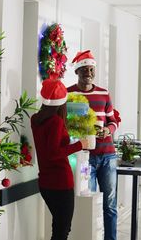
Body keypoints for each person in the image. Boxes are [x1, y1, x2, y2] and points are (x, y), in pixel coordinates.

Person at [67, 50, 119, 240]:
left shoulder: (104, 93)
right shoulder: (68, 94)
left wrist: (108, 130)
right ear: (77, 72)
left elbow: (113, 121)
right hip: (83, 159)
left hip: (107, 156)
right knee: (85, 201)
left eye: (91, 69)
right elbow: (64, 124)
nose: (88, 73)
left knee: (110, 204)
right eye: (84, 70)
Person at [31, 78, 90, 240]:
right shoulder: (56, 122)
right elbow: (54, 153)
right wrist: (80, 144)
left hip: (45, 183)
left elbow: (48, 149)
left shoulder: (35, 120)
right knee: (62, 229)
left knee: (58, 227)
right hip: (60, 183)